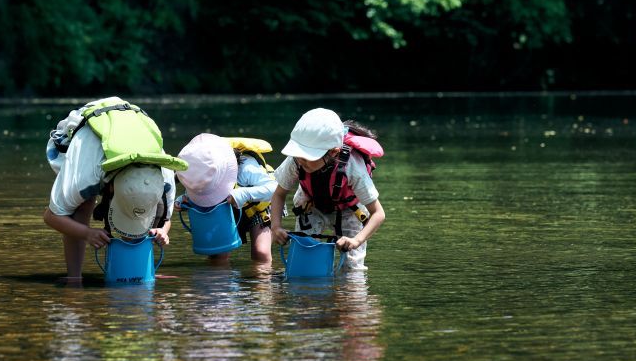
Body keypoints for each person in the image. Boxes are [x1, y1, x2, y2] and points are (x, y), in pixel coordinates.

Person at [43, 96, 188, 284]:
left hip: (132, 122)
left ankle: (143, 272)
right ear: (110, 189)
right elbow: (52, 216)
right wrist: (87, 233)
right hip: (86, 129)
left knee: (148, 217)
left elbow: (166, 220)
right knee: (82, 204)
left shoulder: (164, 177)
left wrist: (162, 231)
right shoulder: (86, 172)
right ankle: (74, 278)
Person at [270, 108, 386, 271]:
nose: (301, 161)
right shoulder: (296, 160)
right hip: (311, 205)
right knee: (304, 262)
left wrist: (356, 241)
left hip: (349, 211)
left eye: (308, 157)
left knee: (352, 272)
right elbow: (279, 194)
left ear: (333, 152)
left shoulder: (352, 168)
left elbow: (378, 214)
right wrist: (275, 227)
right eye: (298, 155)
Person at [175, 133, 277, 265]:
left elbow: (275, 189)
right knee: (217, 255)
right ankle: (219, 284)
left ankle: (263, 282)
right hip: (224, 209)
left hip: (258, 207)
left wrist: (243, 194)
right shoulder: (201, 171)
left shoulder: (246, 168)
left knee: (260, 253)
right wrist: (183, 199)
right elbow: (197, 191)